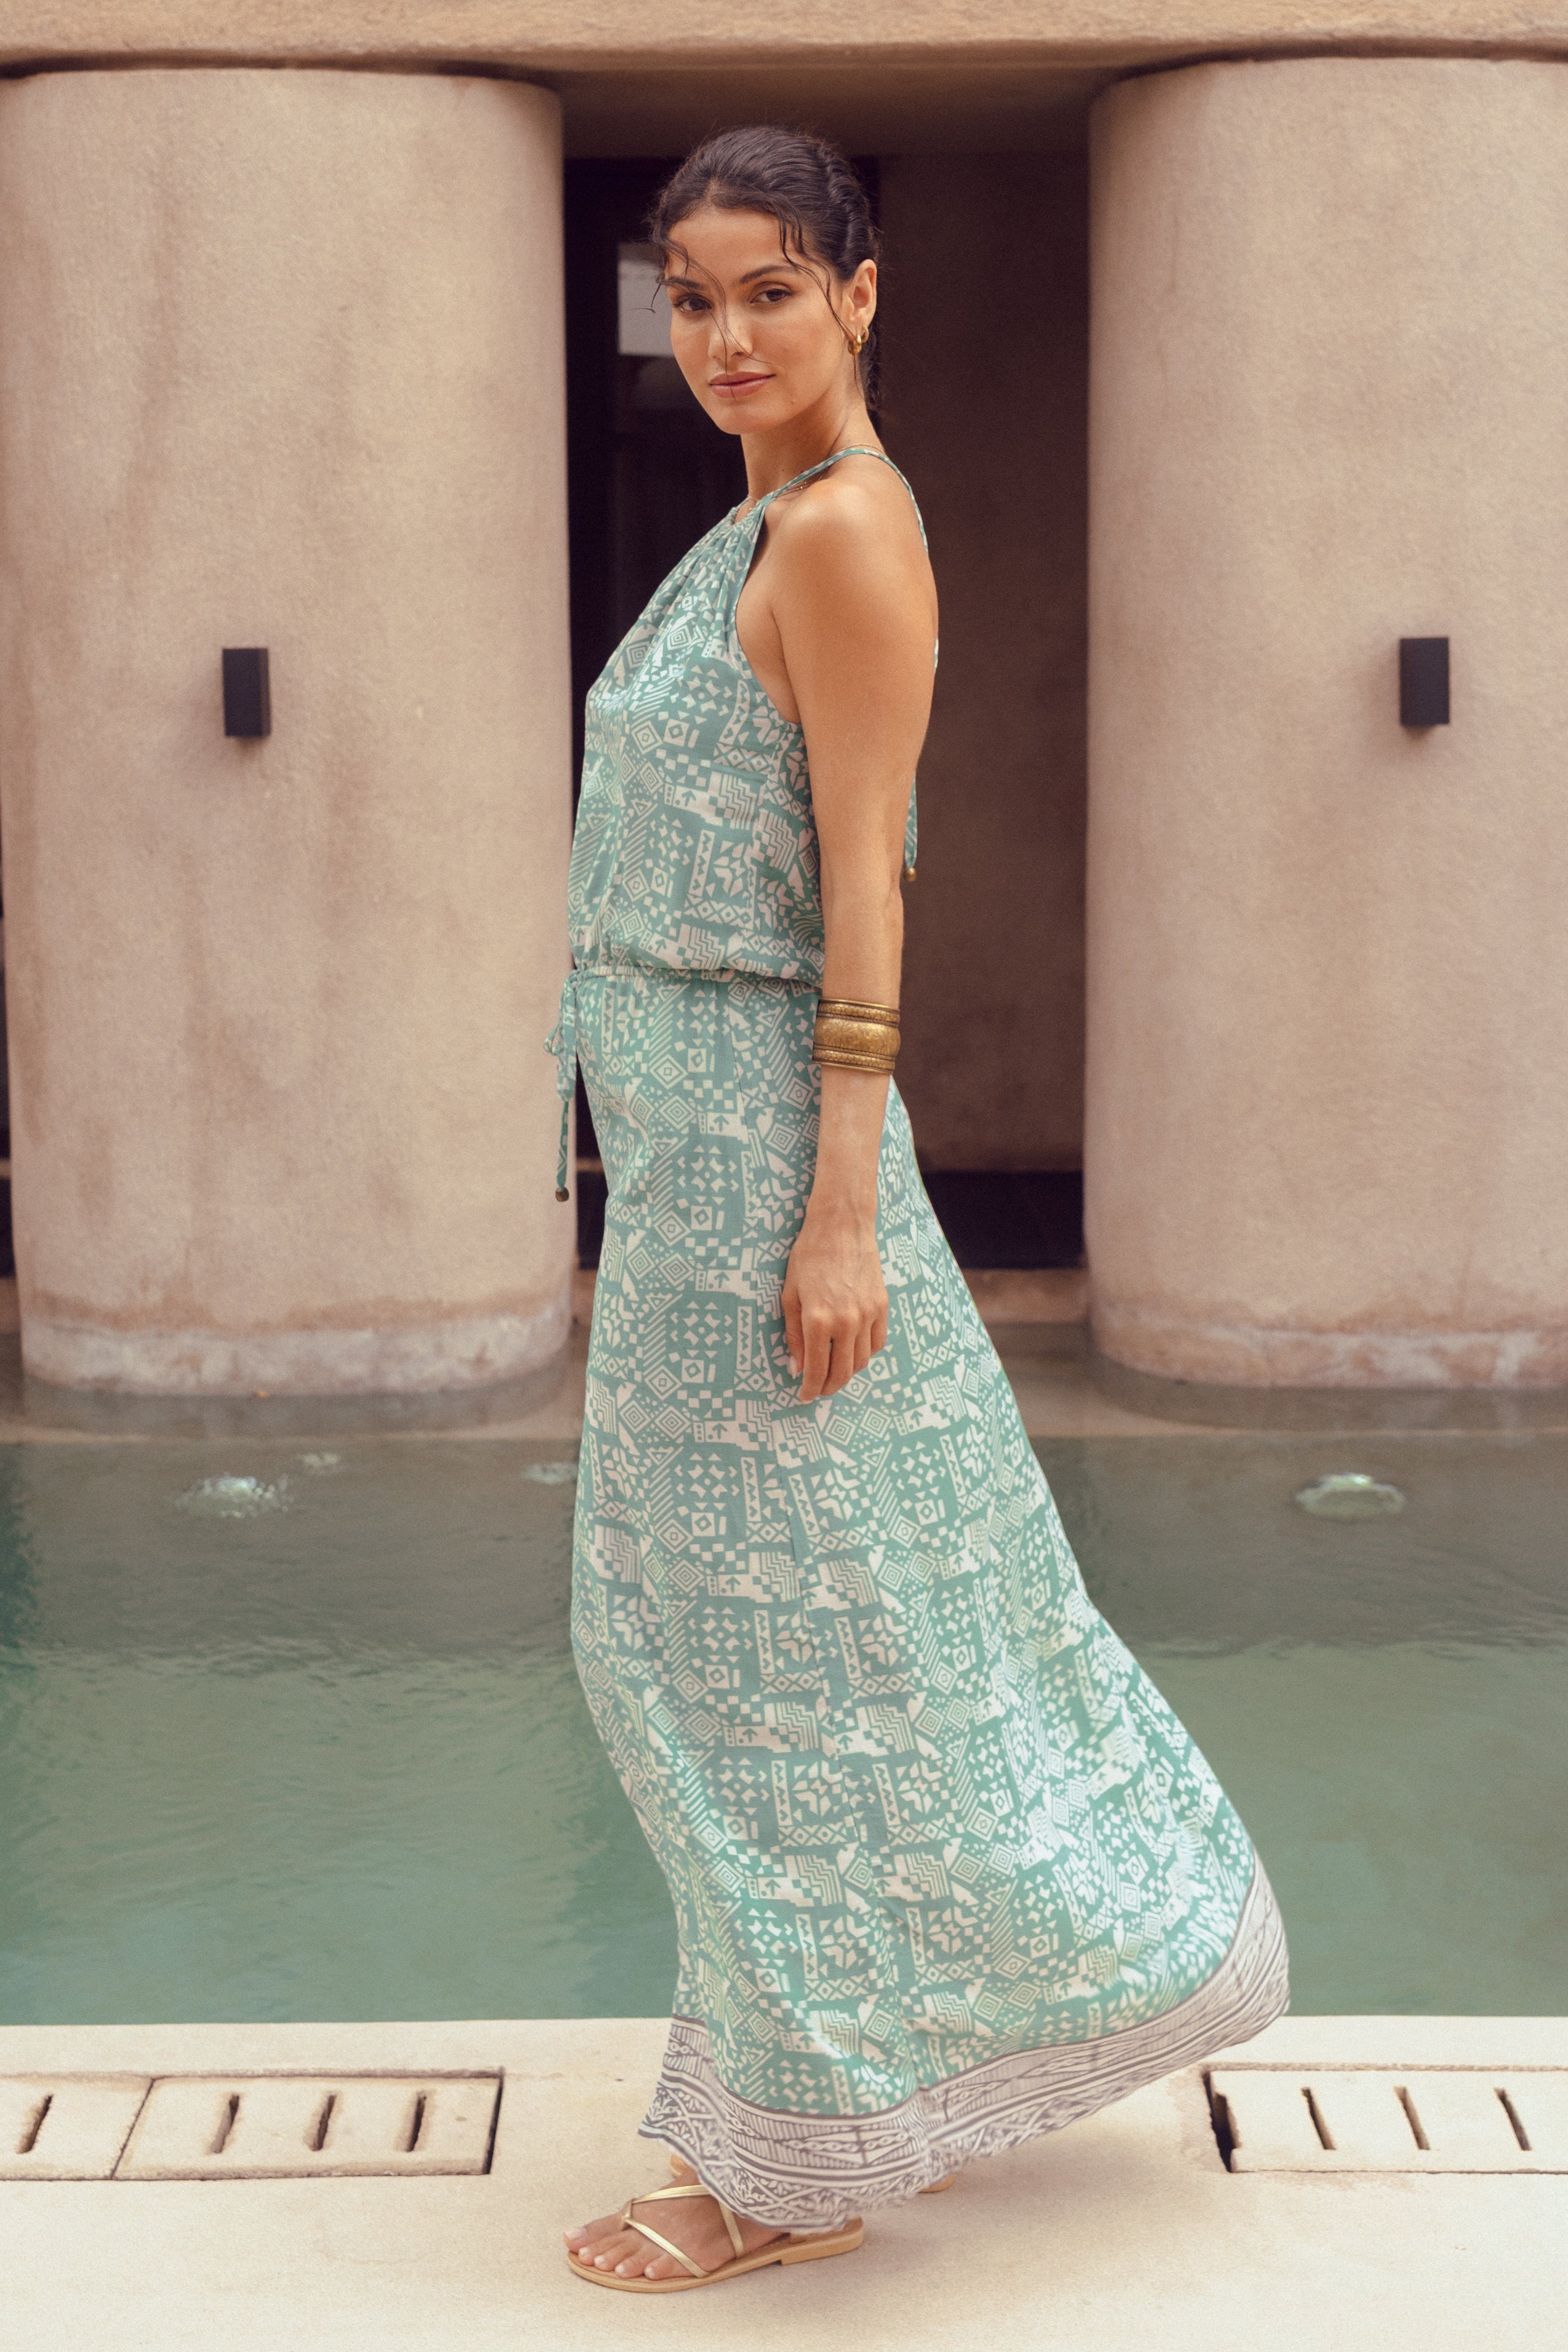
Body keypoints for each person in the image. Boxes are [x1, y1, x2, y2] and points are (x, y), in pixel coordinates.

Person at [554, 125, 1287, 2295]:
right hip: (689, 1156)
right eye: (693, 299)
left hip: (758, 1168)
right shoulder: (762, 521)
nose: (726, 336)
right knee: (842, 1631)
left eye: (771, 290)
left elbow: (870, 890)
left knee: (721, 1660)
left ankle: (793, 2164)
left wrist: (839, 1218)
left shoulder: (849, 532)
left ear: (859, 295)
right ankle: (868, 2085)